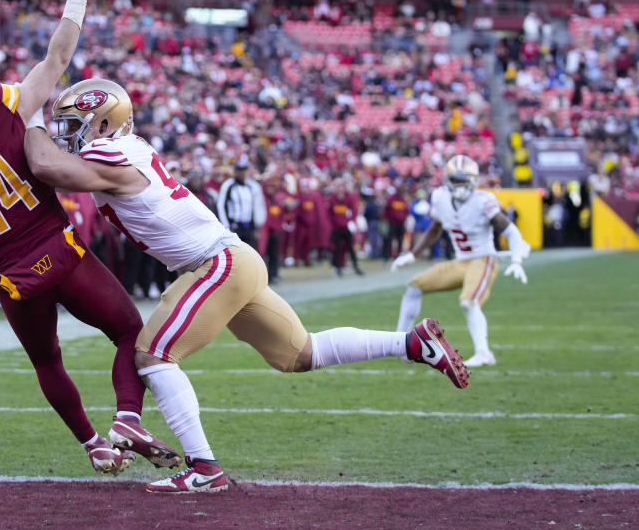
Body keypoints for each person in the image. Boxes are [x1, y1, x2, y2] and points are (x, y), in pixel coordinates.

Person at [24, 78, 469, 494]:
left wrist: (27, 115)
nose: (66, 135)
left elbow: (45, 165)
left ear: (104, 123)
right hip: (234, 260)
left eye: (72, 126)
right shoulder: (126, 147)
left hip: (217, 263)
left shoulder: (109, 153)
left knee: (153, 354)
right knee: (300, 354)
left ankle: (203, 467)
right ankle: (411, 344)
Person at [0, 0, 178, 477]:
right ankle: (128, 418)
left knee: (47, 361)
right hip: (61, 250)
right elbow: (57, 61)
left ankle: (93, 443)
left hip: (13, 278)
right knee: (129, 331)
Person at [391, 155, 532, 367]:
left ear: (473, 180)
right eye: (455, 180)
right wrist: (412, 254)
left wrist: (517, 259)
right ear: (447, 180)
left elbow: (510, 231)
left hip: (482, 260)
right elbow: (435, 229)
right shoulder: (440, 198)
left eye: (463, 180)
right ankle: (399, 344)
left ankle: (484, 353)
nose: (459, 185)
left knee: (469, 301)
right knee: (414, 286)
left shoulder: (483, 201)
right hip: (460, 262)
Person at [216, 155, 266, 250]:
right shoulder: (228, 185)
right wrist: (226, 226)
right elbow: (221, 205)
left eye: (244, 170)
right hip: (235, 226)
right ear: (235, 171)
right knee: (237, 254)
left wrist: (257, 225)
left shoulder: (252, 186)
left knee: (252, 253)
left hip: (249, 226)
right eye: (239, 170)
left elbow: (257, 206)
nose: (242, 173)